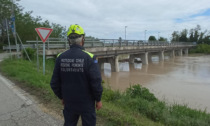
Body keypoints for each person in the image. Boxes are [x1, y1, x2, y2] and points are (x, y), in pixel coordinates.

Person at [50, 24, 103, 126]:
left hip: (69, 102)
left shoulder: (60, 57)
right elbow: (96, 82)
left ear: (69, 40)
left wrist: (61, 97)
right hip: (87, 104)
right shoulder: (90, 58)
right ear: (83, 39)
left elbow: (54, 83)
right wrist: (98, 99)